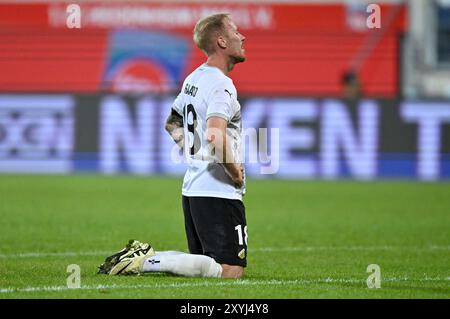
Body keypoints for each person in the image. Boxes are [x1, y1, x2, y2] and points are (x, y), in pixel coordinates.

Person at [98, 13, 248, 279]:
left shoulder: (195, 78)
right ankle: (144, 262)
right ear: (222, 41)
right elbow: (215, 135)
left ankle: (143, 257)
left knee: (205, 262)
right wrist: (235, 172)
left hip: (193, 187)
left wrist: (197, 155)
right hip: (218, 192)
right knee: (229, 270)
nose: (242, 36)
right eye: (235, 32)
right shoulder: (222, 85)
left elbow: (172, 122)